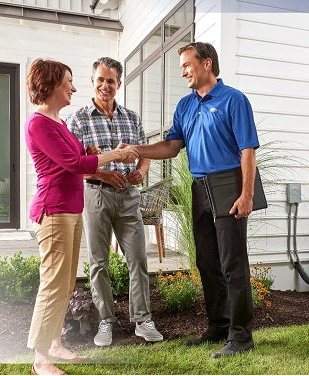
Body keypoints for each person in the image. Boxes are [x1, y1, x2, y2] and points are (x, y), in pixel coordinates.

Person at [134, 42, 260, 358]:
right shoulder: (185, 105)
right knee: (206, 261)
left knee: (233, 263)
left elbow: (247, 150)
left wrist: (246, 194)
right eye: (181, 67)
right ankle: (219, 326)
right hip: (199, 186)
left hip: (229, 184)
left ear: (206, 63)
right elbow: (172, 146)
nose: (183, 72)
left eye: (187, 65)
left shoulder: (234, 100)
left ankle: (242, 336)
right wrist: (137, 149)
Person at [25, 58, 136, 375]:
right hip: (54, 210)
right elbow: (72, 165)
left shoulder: (58, 122)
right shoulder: (38, 124)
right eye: (67, 83)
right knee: (53, 284)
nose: (73, 88)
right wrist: (114, 154)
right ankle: (40, 360)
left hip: (71, 209)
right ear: (50, 86)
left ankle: (56, 343)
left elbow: (77, 157)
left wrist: (88, 151)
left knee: (65, 284)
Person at [66, 57, 163, 347]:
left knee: (138, 258)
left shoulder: (131, 118)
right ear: (93, 81)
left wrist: (141, 171)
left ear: (118, 84)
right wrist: (103, 175)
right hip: (95, 194)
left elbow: (145, 151)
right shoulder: (79, 119)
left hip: (128, 197)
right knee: (99, 262)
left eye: (111, 81)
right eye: (100, 79)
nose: (105, 85)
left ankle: (143, 320)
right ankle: (106, 320)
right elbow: (73, 163)